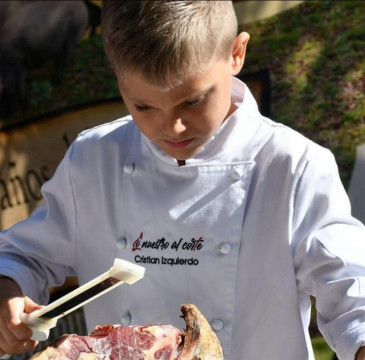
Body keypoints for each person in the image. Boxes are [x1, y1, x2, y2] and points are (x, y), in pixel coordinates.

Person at [0, 1, 365, 359]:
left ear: (236, 54)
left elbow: (350, 285)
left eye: (192, 102)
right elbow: (24, 255)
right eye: (143, 107)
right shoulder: (94, 159)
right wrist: (8, 291)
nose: (171, 127)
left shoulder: (293, 165)